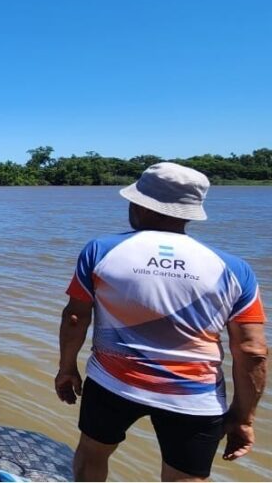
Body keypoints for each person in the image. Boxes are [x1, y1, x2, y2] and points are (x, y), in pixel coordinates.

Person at [55, 162, 266, 481]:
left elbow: (75, 317)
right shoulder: (234, 269)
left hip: (113, 381)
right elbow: (251, 351)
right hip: (195, 396)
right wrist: (244, 417)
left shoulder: (101, 251)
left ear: (139, 203)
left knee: (92, 455)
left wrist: (67, 368)